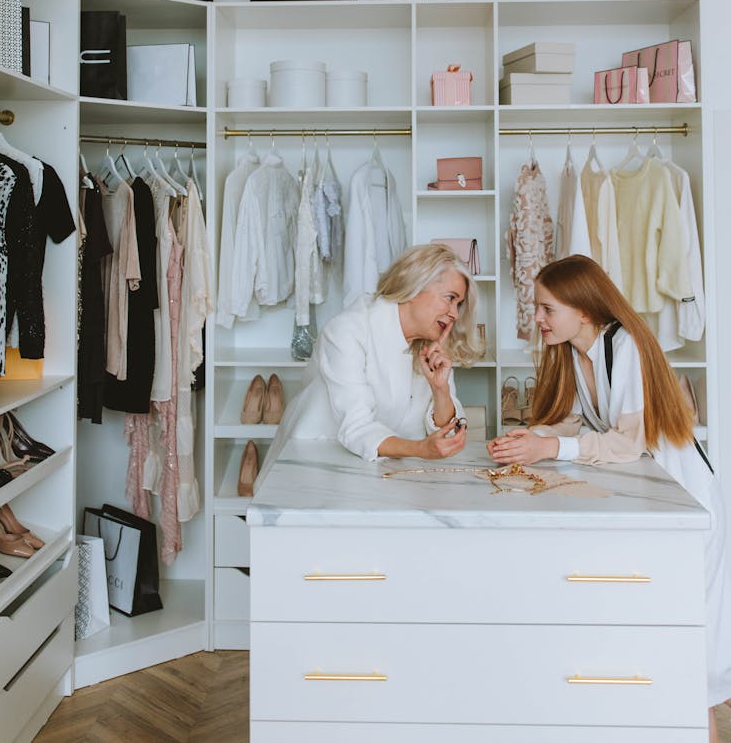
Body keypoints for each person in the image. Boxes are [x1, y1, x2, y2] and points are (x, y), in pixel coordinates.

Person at [488, 254, 731, 740]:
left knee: (694, 648)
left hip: (688, 504)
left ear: (582, 309)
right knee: (668, 636)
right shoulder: (582, 353)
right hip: (654, 501)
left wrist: (550, 446)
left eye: (545, 308)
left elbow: (627, 441)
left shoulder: (627, 347)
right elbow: (582, 421)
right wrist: (532, 437)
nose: (536, 318)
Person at [259, 243, 480, 476]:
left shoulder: (431, 348)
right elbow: (357, 427)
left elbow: (447, 435)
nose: (454, 314)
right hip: (315, 465)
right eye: (450, 298)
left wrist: (440, 389)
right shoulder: (347, 331)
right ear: (415, 285)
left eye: (459, 304)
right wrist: (420, 449)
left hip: (386, 473)